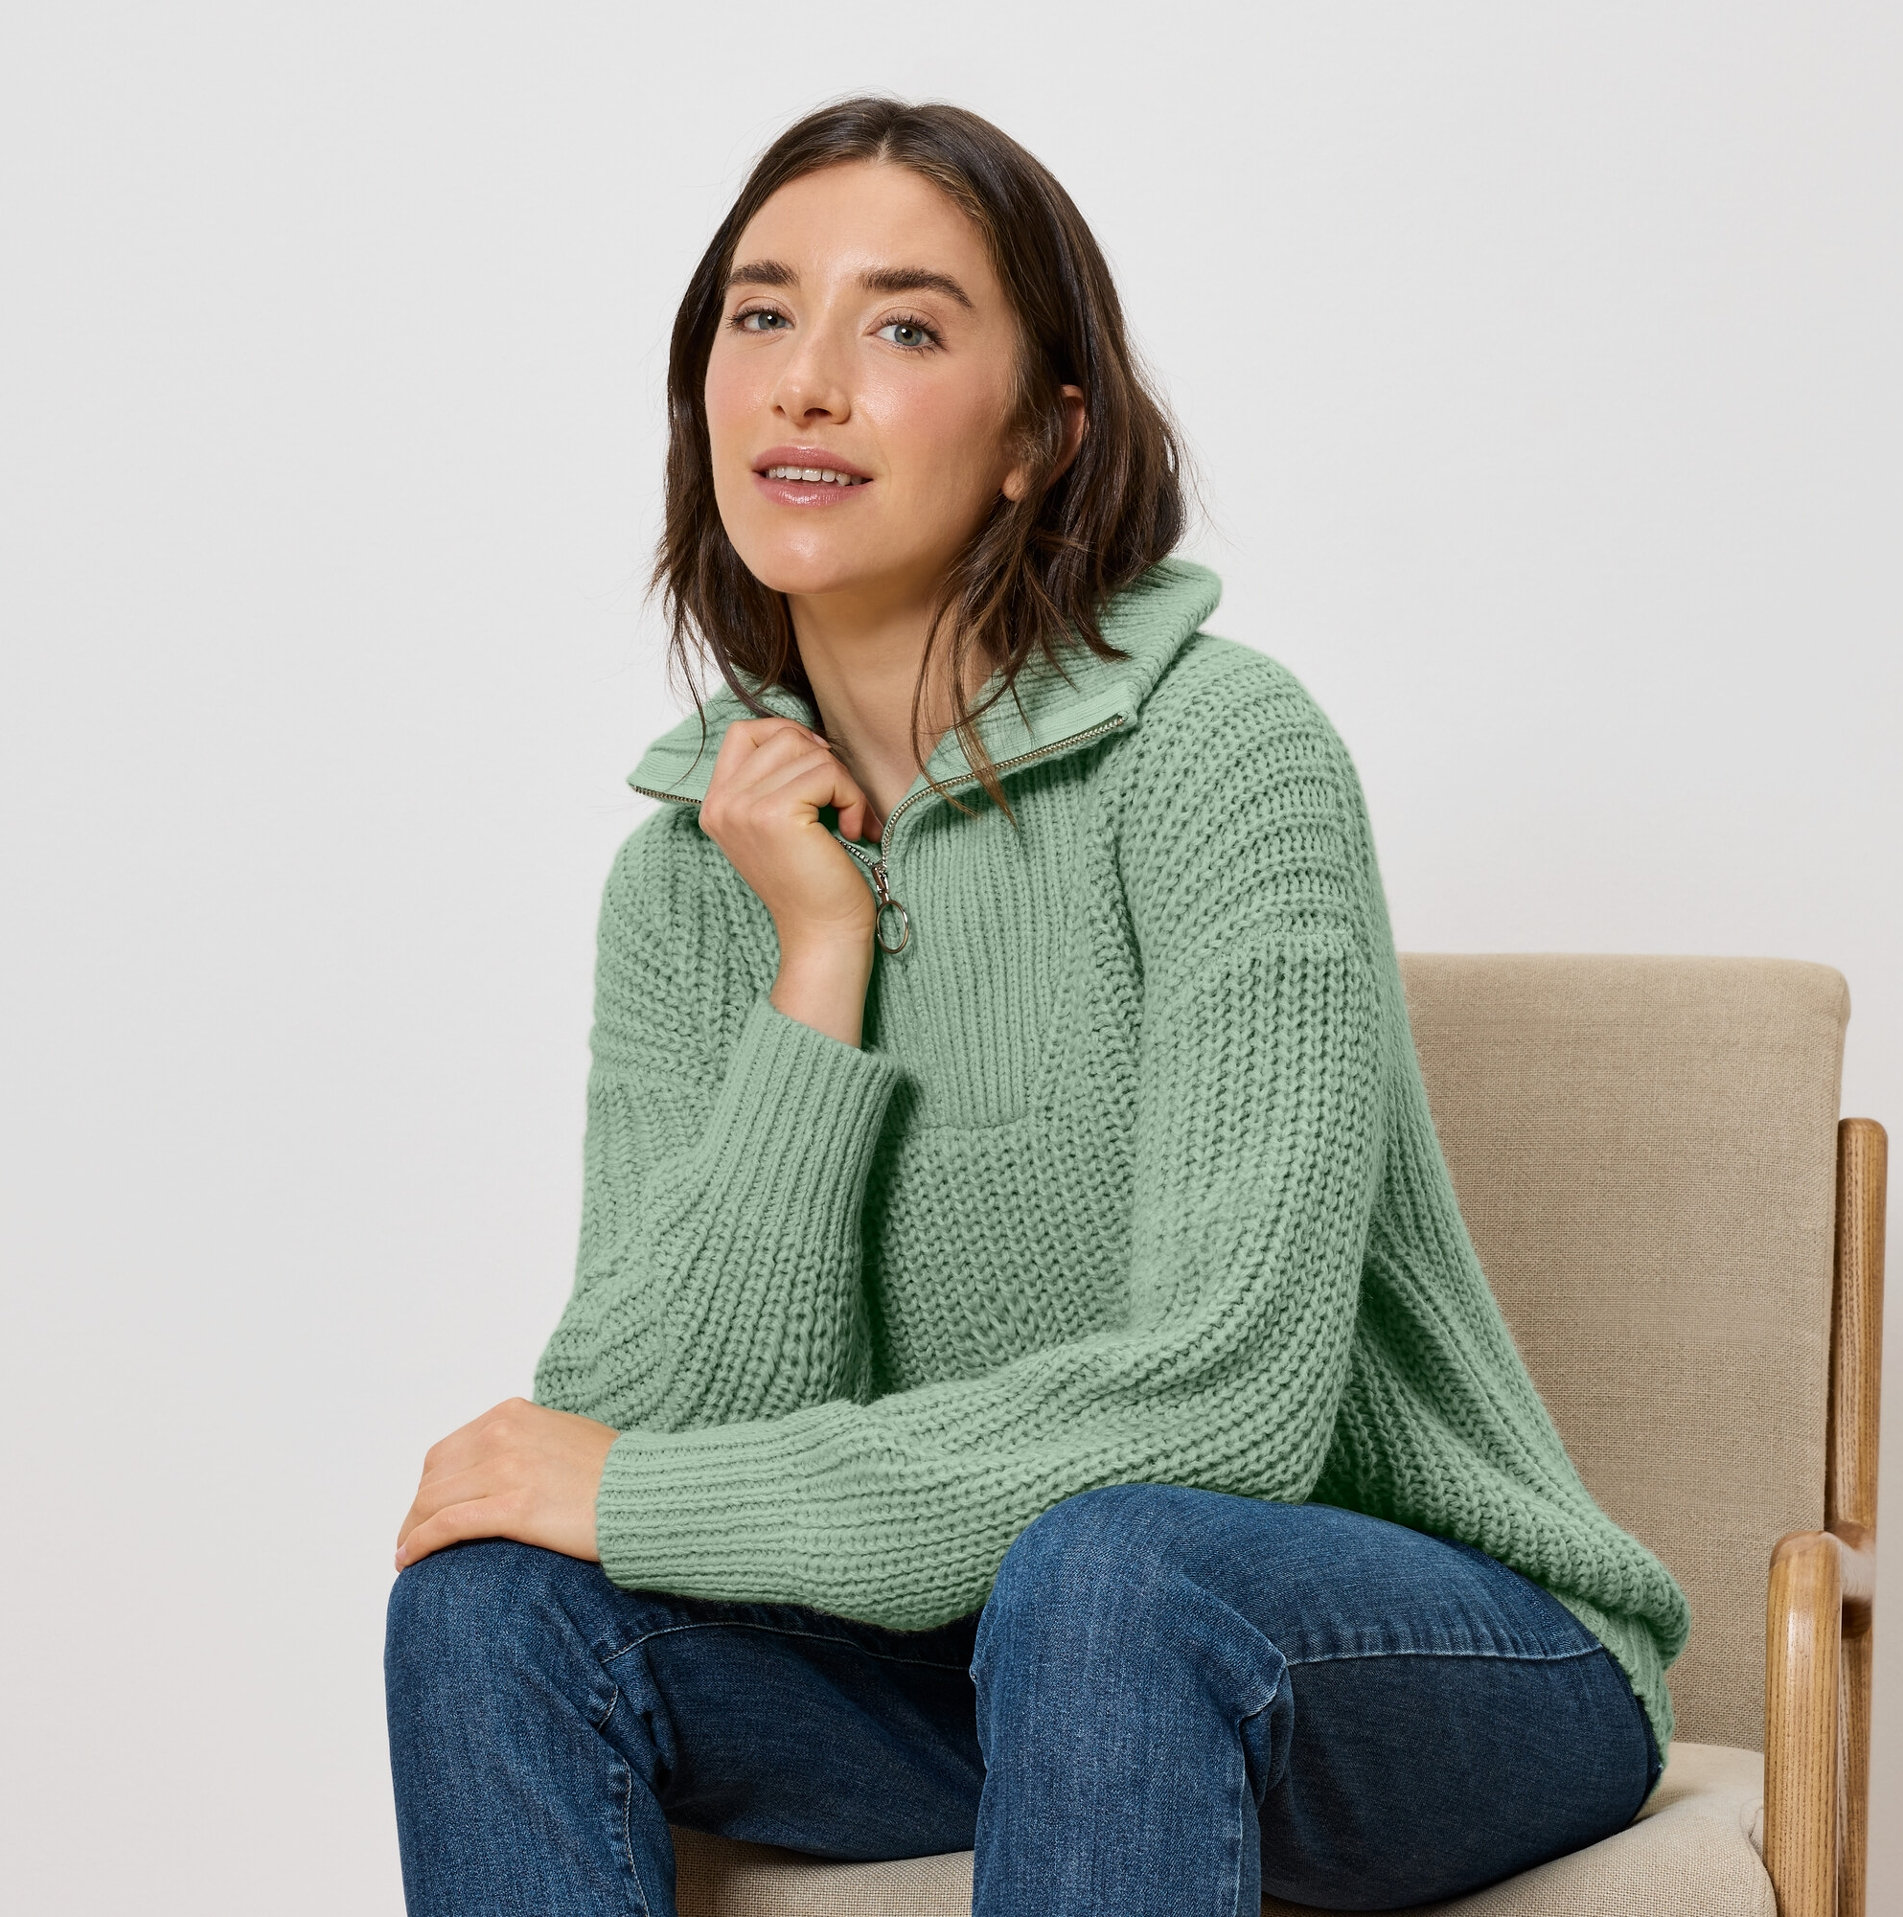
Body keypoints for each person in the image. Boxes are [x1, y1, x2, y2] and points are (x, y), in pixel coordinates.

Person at [382, 96, 1689, 1917]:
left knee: (1113, 1568)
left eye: (904, 326)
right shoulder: (692, 873)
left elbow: (1229, 1401)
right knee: (493, 1600)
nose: (807, 384)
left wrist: (649, 1497)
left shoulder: (1221, 757)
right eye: (759, 317)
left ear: (1038, 436)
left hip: (1421, 1658)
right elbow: (643, 1442)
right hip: (979, 1673)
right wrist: (814, 970)